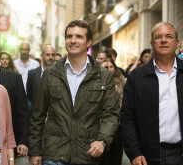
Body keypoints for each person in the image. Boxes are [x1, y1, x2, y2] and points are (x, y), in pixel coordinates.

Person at [121, 22, 183, 165]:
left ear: (177, 42)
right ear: (152, 43)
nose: (164, 40)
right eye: (158, 37)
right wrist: (134, 152)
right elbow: (127, 117)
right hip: (147, 157)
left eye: (169, 36)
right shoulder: (137, 77)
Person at [28, 20, 120, 165]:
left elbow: (112, 114)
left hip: (87, 153)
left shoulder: (103, 75)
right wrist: (34, 151)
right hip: (54, 153)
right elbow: (38, 115)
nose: (73, 41)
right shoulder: (51, 73)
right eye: (69, 36)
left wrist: (102, 141)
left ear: (88, 42)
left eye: (78, 36)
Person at [99, 57, 126, 165]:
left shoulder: (122, 83)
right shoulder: (95, 83)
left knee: (116, 155)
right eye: (106, 67)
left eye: (111, 67)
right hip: (101, 125)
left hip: (118, 125)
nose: (109, 69)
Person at [26, 45, 56, 111]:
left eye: (53, 55)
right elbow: (30, 94)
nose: (50, 57)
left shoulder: (61, 73)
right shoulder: (32, 74)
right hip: (36, 112)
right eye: (48, 55)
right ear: (42, 56)